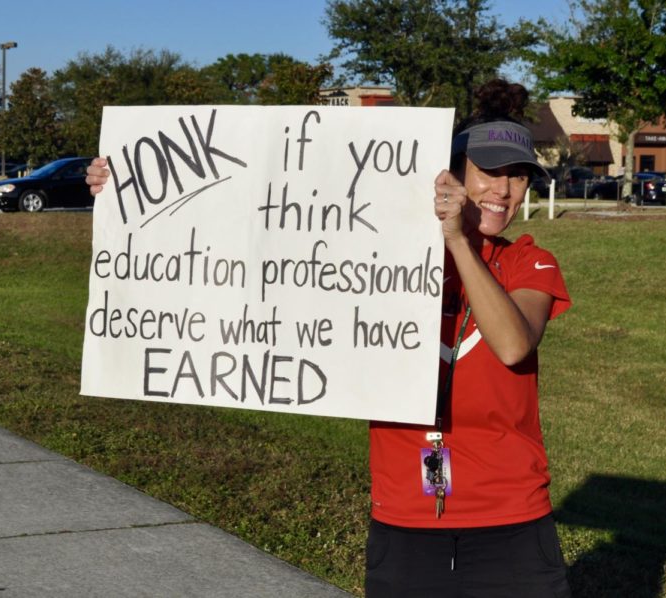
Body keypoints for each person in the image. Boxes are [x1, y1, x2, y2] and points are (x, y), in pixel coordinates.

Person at [85, 78, 571, 598]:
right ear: (452, 174)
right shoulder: (382, 248)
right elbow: (248, 235)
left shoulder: (528, 261)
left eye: (518, 177)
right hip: (407, 516)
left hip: (510, 515)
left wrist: (457, 242)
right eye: (489, 172)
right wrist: (126, 192)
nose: (502, 190)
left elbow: (513, 344)